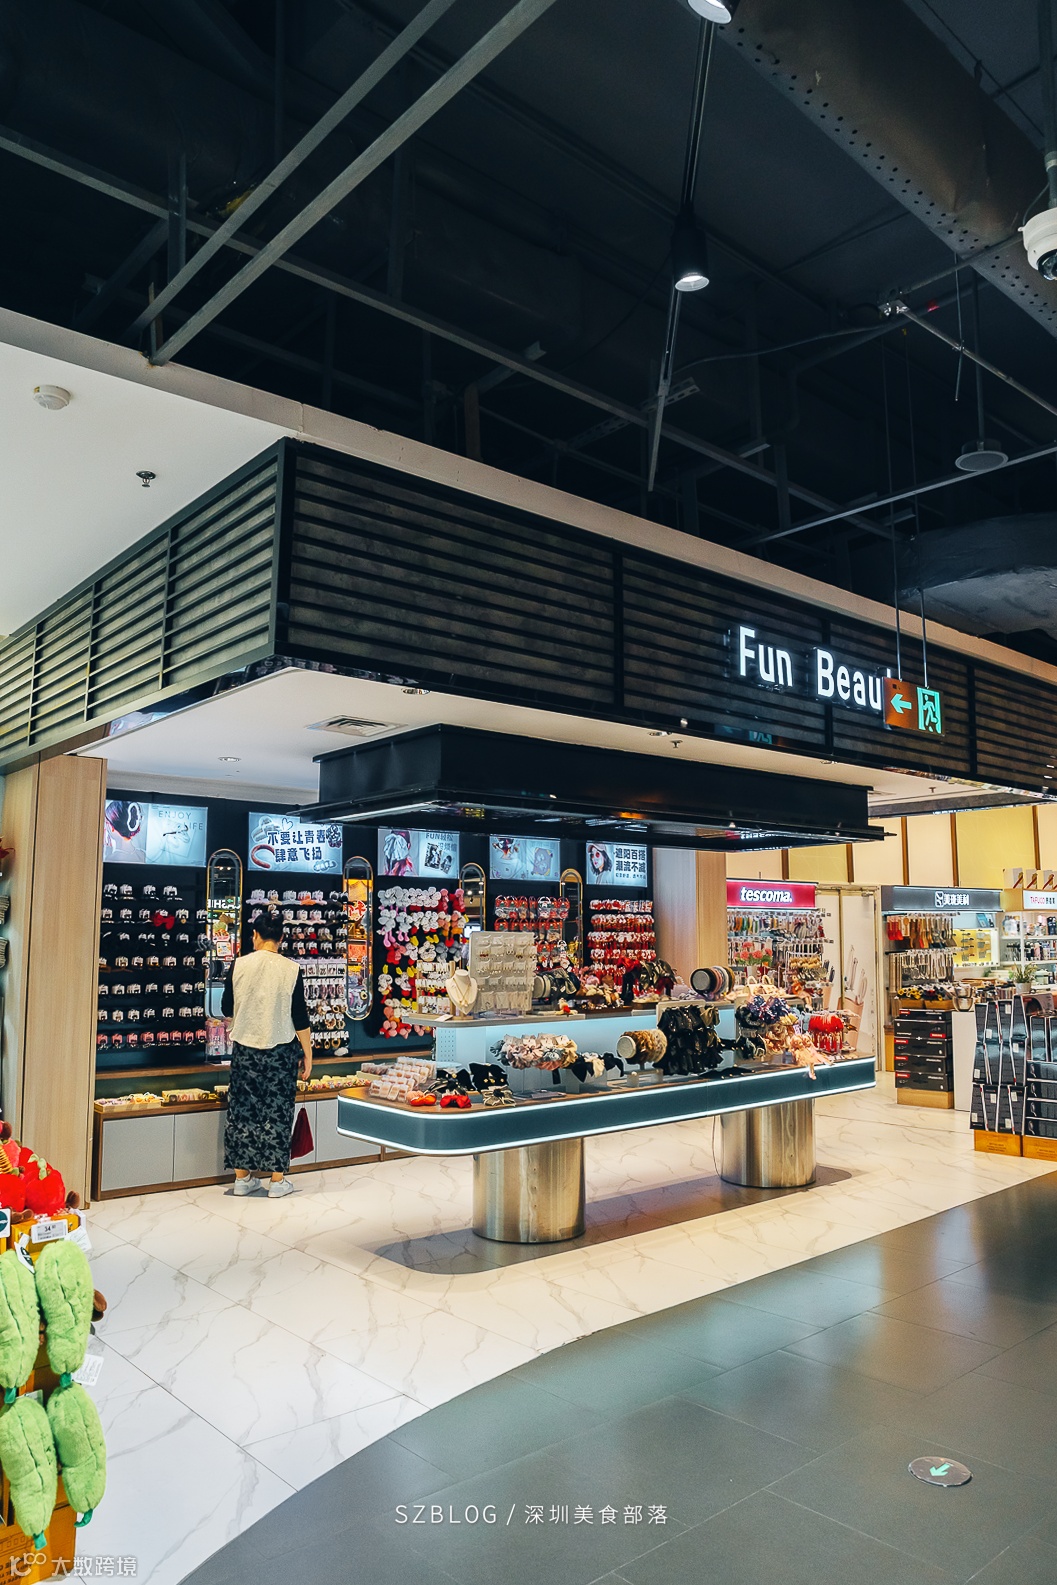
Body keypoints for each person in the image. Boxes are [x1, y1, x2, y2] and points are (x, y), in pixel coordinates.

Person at [221, 909, 312, 1198]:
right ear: (281, 938)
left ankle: (242, 1178)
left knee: (242, 1111)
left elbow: (225, 1007)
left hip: (245, 1049)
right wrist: (308, 1055)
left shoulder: (239, 965)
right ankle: (276, 1180)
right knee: (278, 1111)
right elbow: (300, 1017)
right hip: (280, 1050)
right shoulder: (291, 969)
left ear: (255, 936)